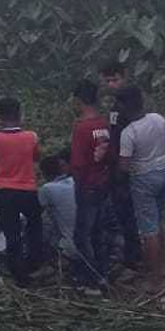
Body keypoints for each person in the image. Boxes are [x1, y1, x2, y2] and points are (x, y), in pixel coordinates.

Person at [115, 85, 165, 293]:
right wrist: (158, 151)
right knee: (159, 222)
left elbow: (124, 166)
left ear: (124, 106)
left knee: (148, 230)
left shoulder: (128, 133)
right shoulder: (158, 118)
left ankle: (155, 281)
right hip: (164, 171)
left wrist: (121, 185)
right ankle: (164, 267)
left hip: (143, 179)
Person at [0, 96, 45, 287]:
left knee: (11, 233)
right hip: (28, 189)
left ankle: (18, 272)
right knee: (35, 227)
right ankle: (34, 263)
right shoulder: (31, 137)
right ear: (20, 114)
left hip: (5, 190)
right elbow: (37, 156)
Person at [67, 78, 112, 290]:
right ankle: (103, 273)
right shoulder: (104, 124)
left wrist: (77, 183)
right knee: (98, 232)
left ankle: (90, 279)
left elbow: (77, 163)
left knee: (81, 235)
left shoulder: (81, 128)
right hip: (103, 184)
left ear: (78, 101)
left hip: (87, 186)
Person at [98, 62, 142, 273]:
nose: (111, 84)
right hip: (124, 165)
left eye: (115, 79)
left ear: (124, 76)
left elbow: (122, 139)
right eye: (107, 81)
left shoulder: (125, 106)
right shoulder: (119, 106)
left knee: (126, 211)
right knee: (126, 212)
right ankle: (132, 252)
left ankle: (133, 255)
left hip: (125, 167)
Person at [37, 155, 76, 278]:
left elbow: (35, 214)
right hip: (94, 245)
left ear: (44, 174)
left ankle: (47, 264)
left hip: (71, 249)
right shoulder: (76, 181)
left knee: (40, 224)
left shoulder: (47, 189)